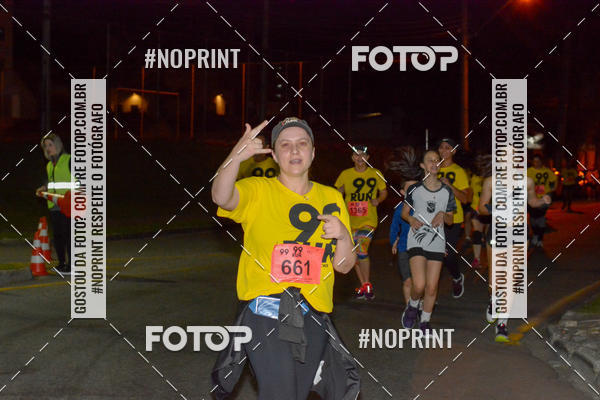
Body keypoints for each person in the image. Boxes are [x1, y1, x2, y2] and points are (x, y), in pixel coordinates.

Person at [211, 117, 360, 400]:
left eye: (302, 144)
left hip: (314, 314)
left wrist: (343, 236)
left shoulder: (331, 197)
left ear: (312, 153)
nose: (294, 150)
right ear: (275, 155)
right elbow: (221, 196)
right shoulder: (258, 189)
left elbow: (344, 266)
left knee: (296, 394)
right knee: (280, 393)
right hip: (266, 311)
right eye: (285, 145)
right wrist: (236, 156)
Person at [479, 171, 551, 342]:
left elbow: (532, 201)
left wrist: (542, 201)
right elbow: (481, 207)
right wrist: (496, 209)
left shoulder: (527, 181)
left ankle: (502, 324)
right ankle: (494, 299)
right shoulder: (491, 181)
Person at [401, 150, 456, 334]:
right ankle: (412, 306)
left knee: (432, 288)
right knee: (419, 285)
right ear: (423, 166)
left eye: (437, 160)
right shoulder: (414, 189)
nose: (434, 162)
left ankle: (425, 321)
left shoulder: (447, 191)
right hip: (417, 238)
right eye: (430, 160)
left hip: (437, 241)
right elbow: (404, 213)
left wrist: (442, 214)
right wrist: (411, 219)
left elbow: (451, 220)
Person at [334, 145, 387, 300]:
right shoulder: (345, 174)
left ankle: (366, 284)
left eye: (363, 155)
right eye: (356, 155)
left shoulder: (376, 173)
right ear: (352, 158)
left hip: (368, 220)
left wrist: (378, 200)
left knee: (361, 249)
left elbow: (384, 192)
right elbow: (337, 192)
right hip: (349, 221)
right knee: (355, 253)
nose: (360, 158)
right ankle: (365, 285)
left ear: (368, 158)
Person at [437, 138, 471, 298]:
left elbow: (465, 199)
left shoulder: (459, 171)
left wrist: (449, 185)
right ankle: (430, 292)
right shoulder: (433, 168)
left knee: (448, 254)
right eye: (441, 147)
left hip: (453, 219)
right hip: (434, 217)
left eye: (447, 147)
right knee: (433, 255)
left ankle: (457, 277)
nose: (443, 150)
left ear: (454, 151)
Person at [35, 134, 72, 275]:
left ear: (58, 144)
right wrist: (44, 189)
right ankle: (61, 264)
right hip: (54, 205)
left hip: (69, 204)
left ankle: (72, 265)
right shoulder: (49, 165)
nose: (48, 148)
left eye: (50, 144)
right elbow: (52, 184)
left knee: (68, 235)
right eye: (45, 146)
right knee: (58, 236)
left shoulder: (69, 160)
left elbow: (81, 182)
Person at [527, 154, 557, 248]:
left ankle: (539, 238)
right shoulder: (528, 171)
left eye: (538, 161)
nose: (537, 163)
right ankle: (536, 235)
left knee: (540, 217)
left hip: (543, 198)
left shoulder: (547, 171)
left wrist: (550, 192)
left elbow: (553, 181)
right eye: (535, 161)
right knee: (533, 218)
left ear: (542, 161)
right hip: (532, 198)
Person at [469, 155, 491, 269]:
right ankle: (476, 259)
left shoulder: (492, 179)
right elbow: (471, 194)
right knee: (477, 233)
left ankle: (489, 258)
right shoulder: (474, 178)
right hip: (476, 209)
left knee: (489, 236)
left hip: (489, 211)